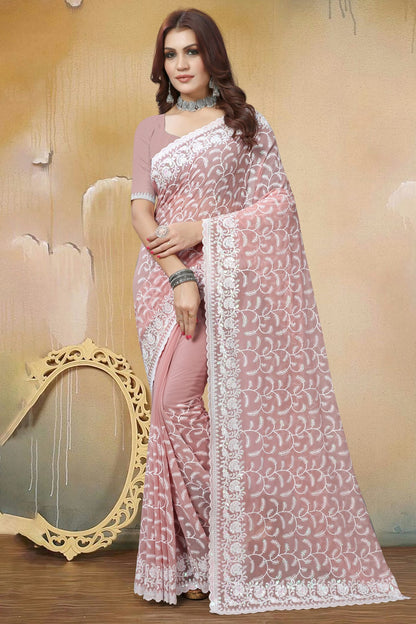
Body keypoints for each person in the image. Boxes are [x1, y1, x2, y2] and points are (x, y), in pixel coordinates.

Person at [130, 8, 410, 616]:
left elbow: (278, 206)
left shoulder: (245, 125)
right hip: (162, 283)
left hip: (229, 280)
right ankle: (204, 559)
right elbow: (141, 213)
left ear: (212, 56)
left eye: (191, 52)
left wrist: (201, 231)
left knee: (176, 406)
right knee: (171, 412)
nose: (180, 64)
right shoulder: (150, 131)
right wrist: (179, 274)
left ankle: (244, 537)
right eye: (171, 54)